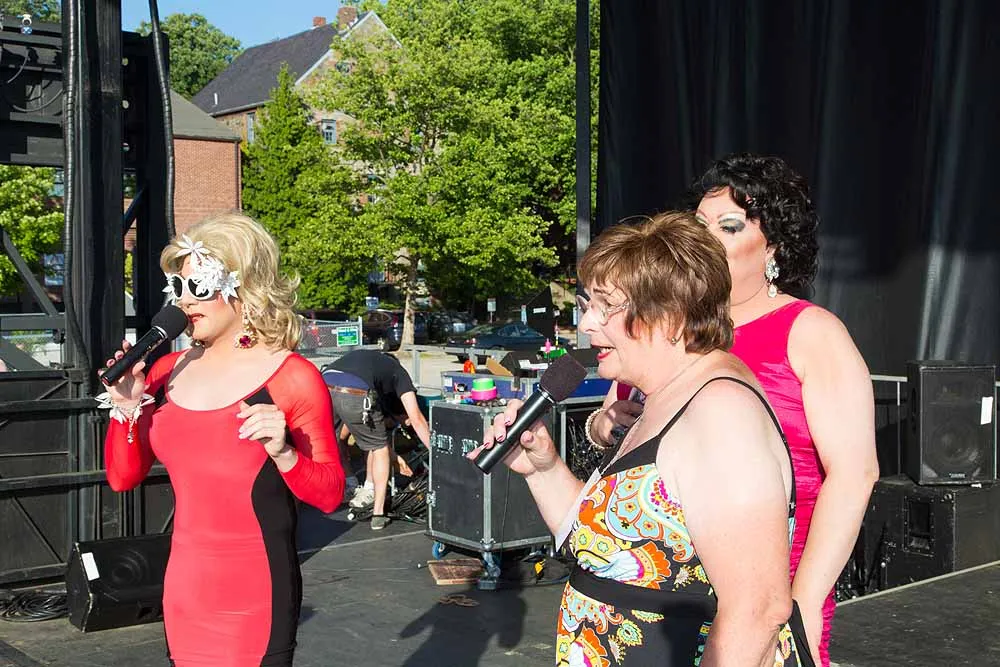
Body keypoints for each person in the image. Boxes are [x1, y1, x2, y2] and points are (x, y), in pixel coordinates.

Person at [476, 212, 810, 666]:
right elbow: (605, 550)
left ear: (669, 315)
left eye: (605, 306)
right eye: (587, 303)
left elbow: (758, 610)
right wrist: (543, 468)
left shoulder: (720, 413)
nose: (587, 323)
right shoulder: (660, 397)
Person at [590, 154, 879, 667]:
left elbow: (854, 474)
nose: (705, 238)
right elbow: (606, 421)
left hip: (769, 595)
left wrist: (805, 600)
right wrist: (606, 424)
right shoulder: (667, 325)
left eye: (728, 226)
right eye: (698, 224)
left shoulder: (811, 332)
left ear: (775, 247)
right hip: (661, 596)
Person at [99, 213, 345, 667]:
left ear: (244, 287)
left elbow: (330, 495)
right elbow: (122, 478)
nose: (185, 302)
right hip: (185, 588)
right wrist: (128, 408)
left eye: (199, 287)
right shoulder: (164, 371)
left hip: (256, 593)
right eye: (178, 287)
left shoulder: (291, 377)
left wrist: (284, 453)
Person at [322, 348, 430, 530]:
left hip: (324, 383)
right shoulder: (399, 373)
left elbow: (352, 430)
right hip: (355, 391)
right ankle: (378, 514)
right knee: (379, 449)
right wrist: (435, 452)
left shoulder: (369, 364)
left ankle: (344, 487)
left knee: (332, 439)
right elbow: (416, 419)